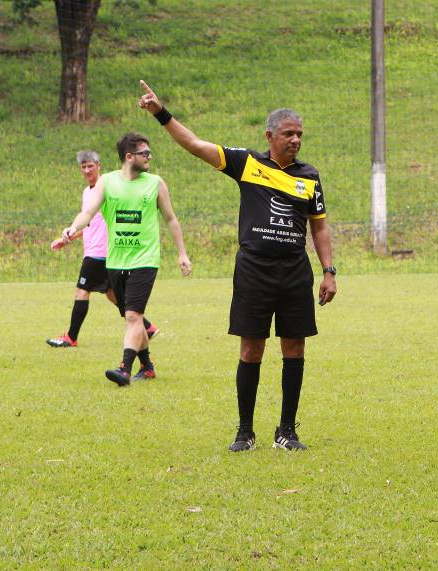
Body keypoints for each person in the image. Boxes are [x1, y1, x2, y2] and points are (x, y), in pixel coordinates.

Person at [138, 80, 337, 452]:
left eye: (299, 134)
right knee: (251, 349)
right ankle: (245, 432)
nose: (295, 140)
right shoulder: (247, 163)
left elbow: (320, 226)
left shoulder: (309, 176)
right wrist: (160, 113)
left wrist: (329, 271)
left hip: (295, 271)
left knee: (295, 348)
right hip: (254, 271)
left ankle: (287, 431)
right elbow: (195, 145)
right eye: (288, 134)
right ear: (270, 136)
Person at [62, 133, 192, 386]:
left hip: (145, 260)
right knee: (132, 317)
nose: (149, 157)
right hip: (116, 261)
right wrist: (72, 228)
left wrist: (182, 253)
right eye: (145, 153)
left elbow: (171, 219)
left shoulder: (155, 183)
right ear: (129, 156)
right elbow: (88, 212)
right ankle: (147, 367)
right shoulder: (107, 182)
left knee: (133, 316)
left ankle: (124, 369)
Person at [47, 151, 160, 363]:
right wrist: (68, 237)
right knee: (111, 293)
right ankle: (147, 326)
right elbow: (89, 222)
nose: (87, 170)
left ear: (99, 165)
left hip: (100, 253)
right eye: (83, 167)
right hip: (99, 252)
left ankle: (71, 337)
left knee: (82, 291)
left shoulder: (108, 187)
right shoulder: (87, 192)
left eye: (90, 166)